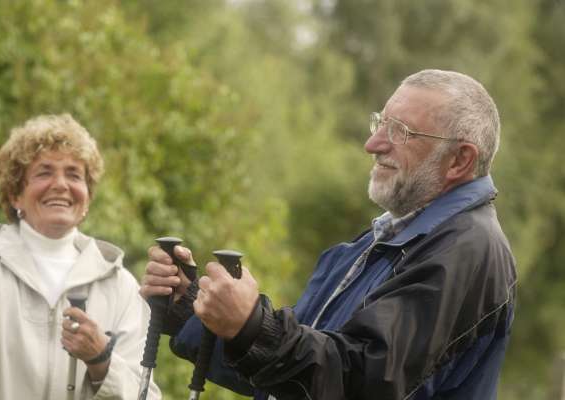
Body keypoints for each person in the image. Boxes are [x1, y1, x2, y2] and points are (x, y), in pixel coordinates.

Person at [140, 69, 516, 399]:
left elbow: (366, 382)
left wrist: (253, 326)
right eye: (380, 123)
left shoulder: (467, 249)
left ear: (460, 160)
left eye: (400, 131)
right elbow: (287, 377)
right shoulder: (378, 243)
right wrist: (193, 307)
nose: (373, 144)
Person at [0, 114, 161, 399]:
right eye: (44, 173)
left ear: (87, 196)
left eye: (74, 174)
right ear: (15, 195)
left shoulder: (121, 285)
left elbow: (144, 393)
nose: (61, 184)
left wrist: (101, 358)